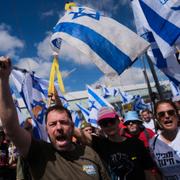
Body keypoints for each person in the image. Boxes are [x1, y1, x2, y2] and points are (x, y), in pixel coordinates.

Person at [0, 56, 110, 180]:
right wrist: (4, 79)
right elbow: (11, 129)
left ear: (72, 126)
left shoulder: (90, 154)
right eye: (52, 124)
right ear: (46, 129)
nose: (59, 127)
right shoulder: (39, 153)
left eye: (63, 122)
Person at [75, 106, 160, 180]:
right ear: (100, 126)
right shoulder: (100, 144)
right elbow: (77, 132)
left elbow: (148, 172)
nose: (109, 125)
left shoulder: (136, 143)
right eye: (104, 123)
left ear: (118, 121)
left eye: (111, 121)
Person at [149, 99, 180, 179]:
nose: (167, 116)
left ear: (177, 114)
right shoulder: (153, 143)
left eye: (171, 112)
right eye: (161, 114)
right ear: (156, 118)